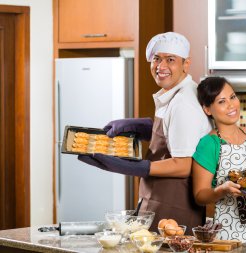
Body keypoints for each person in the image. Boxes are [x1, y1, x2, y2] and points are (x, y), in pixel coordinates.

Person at [79, 32, 212, 232]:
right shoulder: (178, 93)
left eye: (170, 60)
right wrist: (141, 128)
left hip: (173, 204)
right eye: (156, 59)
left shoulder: (184, 103)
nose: (161, 66)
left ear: (186, 64)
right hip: (158, 196)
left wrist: (137, 167)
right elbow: (177, 135)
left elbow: (184, 165)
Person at [192, 76, 246, 242]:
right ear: (207, 110)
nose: (231, 105)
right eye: (221, 101)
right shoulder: (209, 144)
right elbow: (199, 195)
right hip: (231, 234)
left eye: (232, 97)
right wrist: (222, 190)